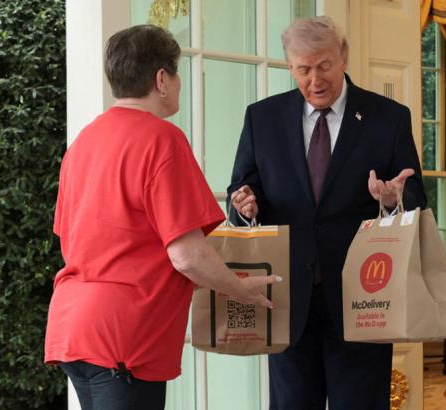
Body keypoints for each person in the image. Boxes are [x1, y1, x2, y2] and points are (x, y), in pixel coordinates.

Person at [44, 25, 280, 410]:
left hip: (73, 328)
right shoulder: (161, 139)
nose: (178, 82)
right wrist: (241, 290)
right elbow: (187, 255)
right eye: (176, 73)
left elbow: (75, 237)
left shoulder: (83, 142)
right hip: (126, 337)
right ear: (161, 80)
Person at [228, 16, 426, 410]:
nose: (315, 80)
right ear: (290, 67)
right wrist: (244, 208)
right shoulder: (262, 118)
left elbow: (416, 199)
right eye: (303, 69)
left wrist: (391, 201)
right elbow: (242, 192)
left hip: (364, 300)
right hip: (287, 301)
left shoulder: (388, 118)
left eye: (324, 66)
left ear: (343, 59)